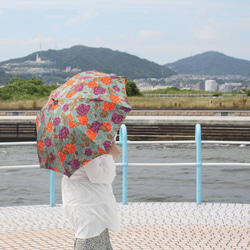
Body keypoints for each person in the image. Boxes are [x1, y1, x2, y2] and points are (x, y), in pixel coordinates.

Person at [61, 140, 122, 250]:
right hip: (88, 203)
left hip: (83, 200)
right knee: (88, 239)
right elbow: (99, 176)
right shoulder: (85, 145)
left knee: (94, 238)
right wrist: (109, 155)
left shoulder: (72, 142)